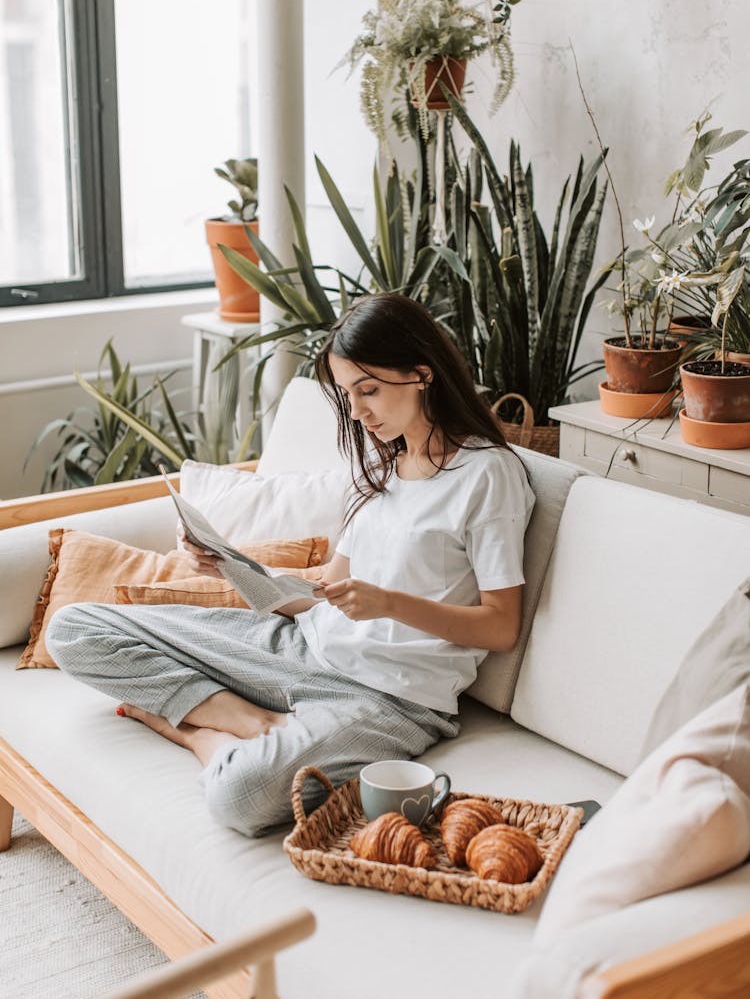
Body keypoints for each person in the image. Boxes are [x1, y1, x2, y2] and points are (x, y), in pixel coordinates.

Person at [46, 293, 535, 837]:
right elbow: (329, 591)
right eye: (348, 394)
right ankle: (254, 722)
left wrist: (388, 603)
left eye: (368, 390)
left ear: (422, 375)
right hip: (300, 647)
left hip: (389, 696)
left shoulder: (487, 476)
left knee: (240, 796)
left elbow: (500, 625)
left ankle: (197, 731)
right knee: (73, 628)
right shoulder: (382, 467)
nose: (358, 412)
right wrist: (228, 567)